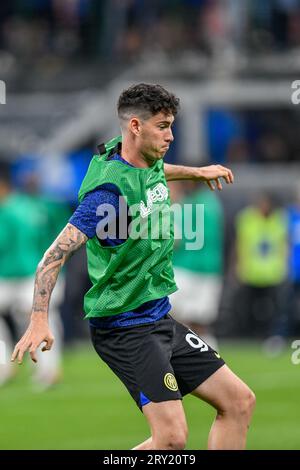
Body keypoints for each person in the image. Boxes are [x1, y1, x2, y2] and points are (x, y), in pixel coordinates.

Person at [11, 83, 255, 450]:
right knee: (171, 439)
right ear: (136, 127)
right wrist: (39, 319)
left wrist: (196, 172)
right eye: (163, 126)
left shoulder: (141, 155)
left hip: (158, 318)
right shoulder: (106, 194)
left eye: (172, 125)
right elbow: (53, 255)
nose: (171, 135)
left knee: (239, 402)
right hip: (125, 327)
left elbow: (154, 171)